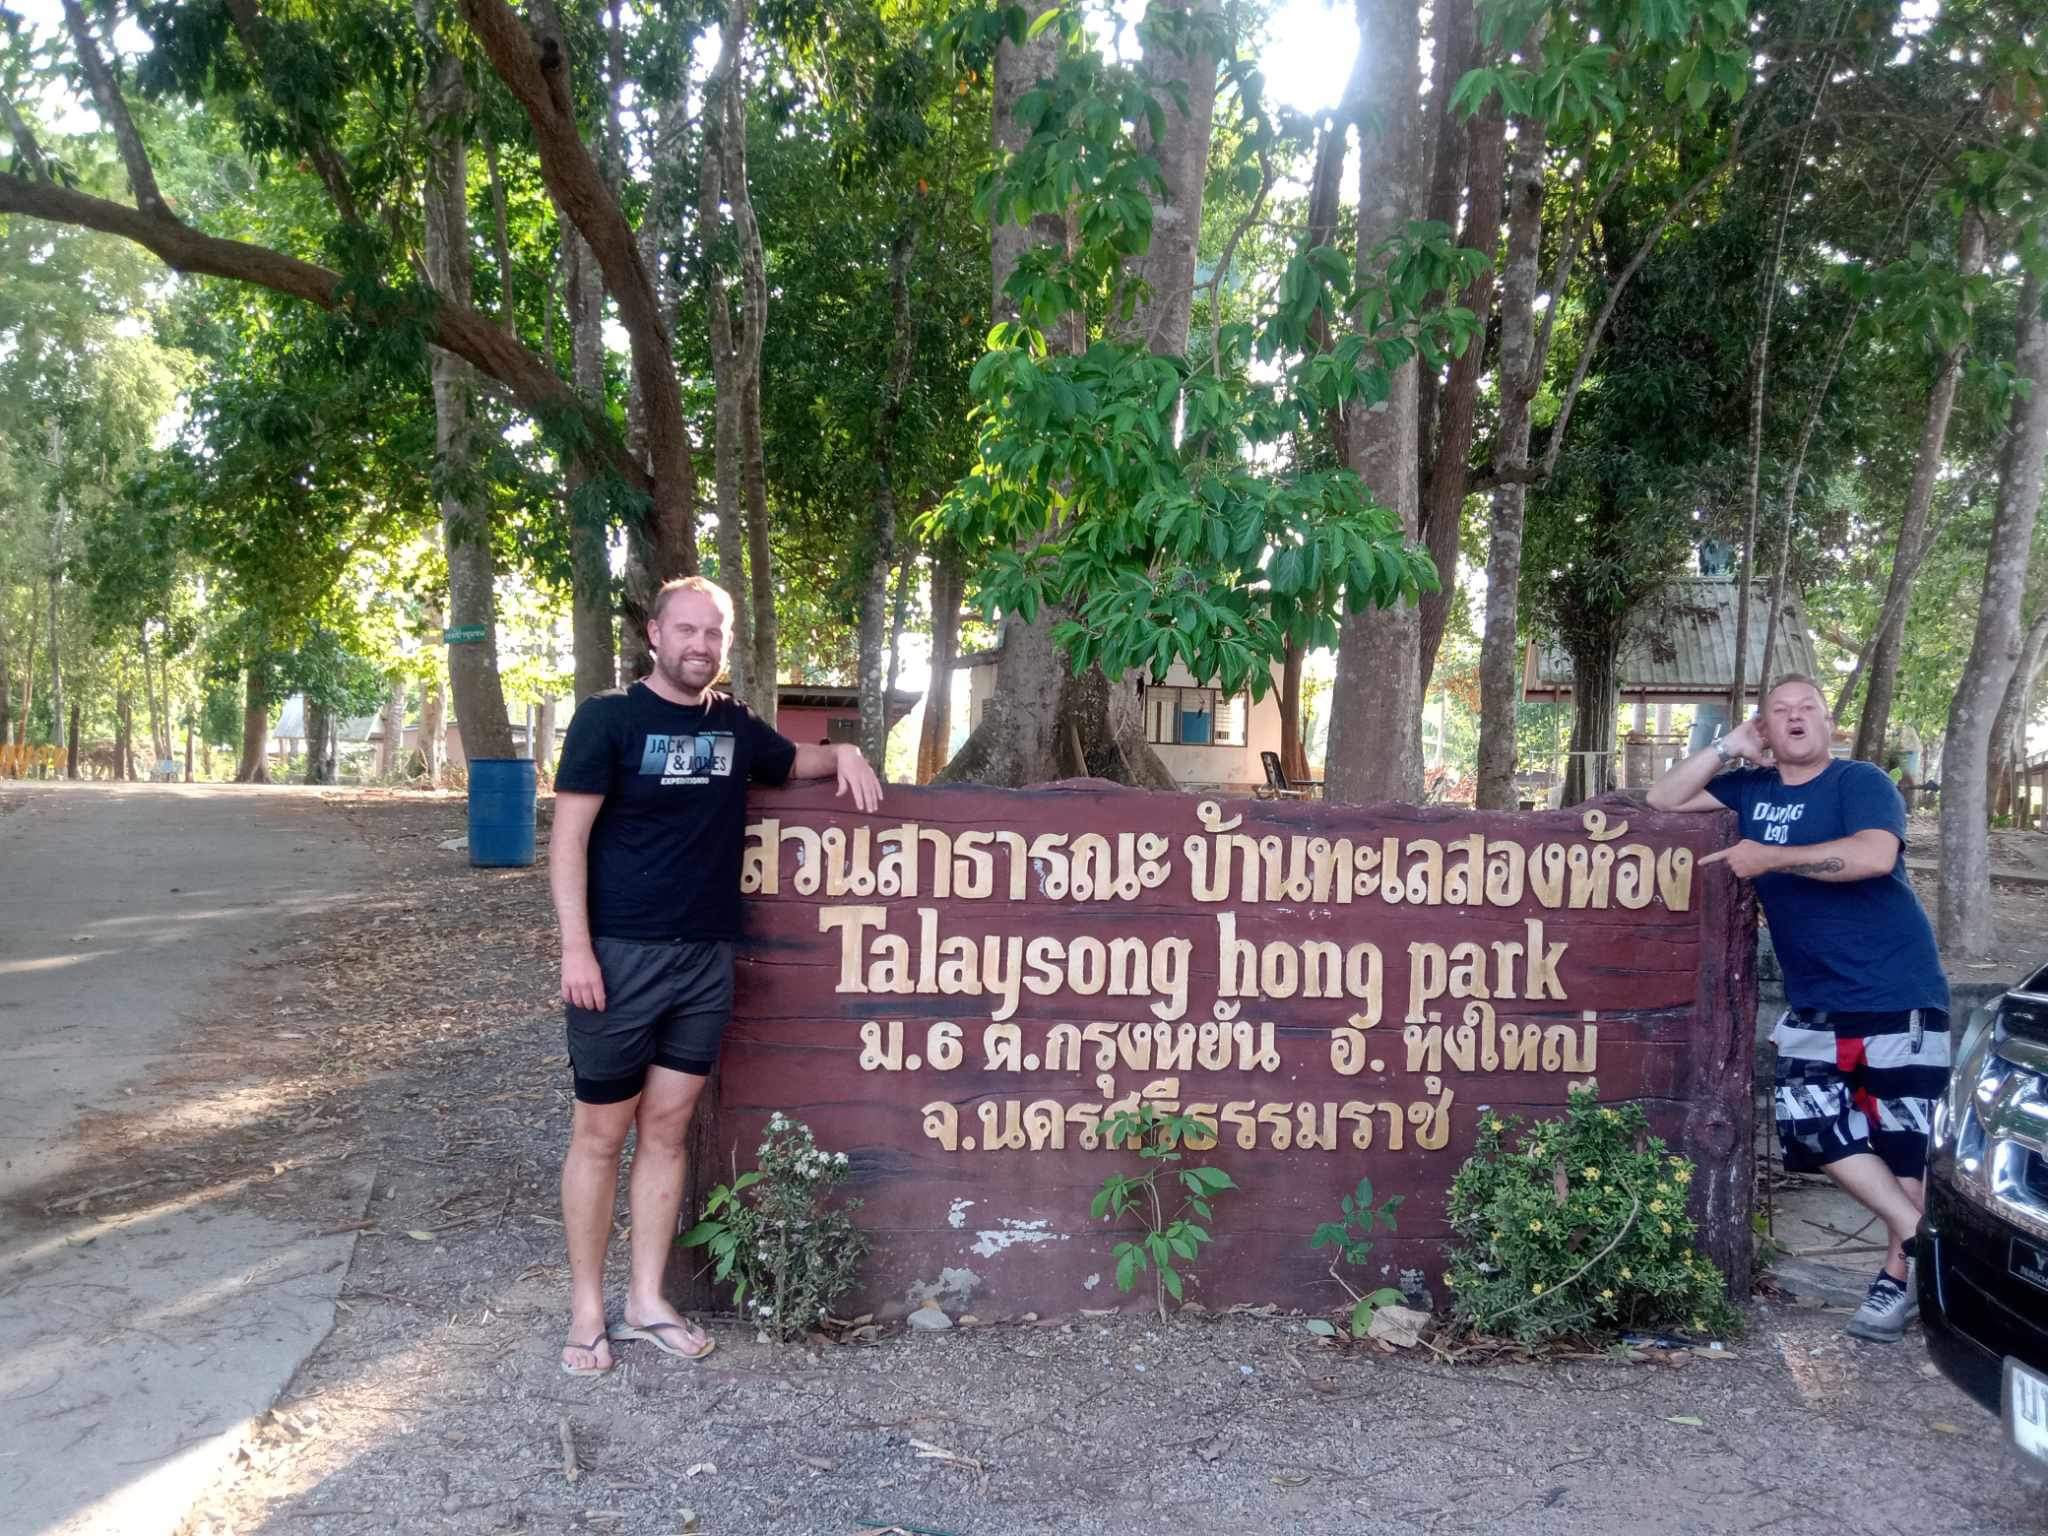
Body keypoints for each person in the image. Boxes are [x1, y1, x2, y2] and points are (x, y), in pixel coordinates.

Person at [548, 576, 883, 1376]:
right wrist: (575, 947)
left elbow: (792, 759)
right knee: (600, 1136)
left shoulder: (732, 725)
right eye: (687, 630)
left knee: (666, 1132)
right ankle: (588, 1311)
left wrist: (843, 749)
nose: (700, 646)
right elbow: (567, 842)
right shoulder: (608, 720)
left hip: (705, 960)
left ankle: (646, 1301)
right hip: (619, 956)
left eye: (714, 635)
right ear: (656, 635)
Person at [1648, 674, 1950, 1342]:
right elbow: (1662, 798)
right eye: (1778, 712)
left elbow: (1874, 857)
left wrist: (1771, 859)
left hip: (1896, 990)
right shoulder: (1750, 791)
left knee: (1903, 1144)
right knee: (1808, 1122)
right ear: (1767, 729)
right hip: (1818, 1000)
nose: (1793, 719)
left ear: (1827, 723)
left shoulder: (1859, 782)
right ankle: (1921, 1234)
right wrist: (1729, 746)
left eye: (1806, 709)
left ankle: (1894, 1283)